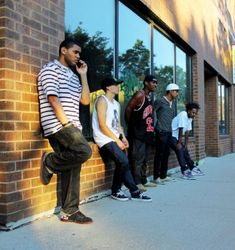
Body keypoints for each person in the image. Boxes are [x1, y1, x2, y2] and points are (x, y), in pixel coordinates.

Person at [37, 38, 93, 224]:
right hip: (58, 125)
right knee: (85, 151)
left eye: (80, 53)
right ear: (63, 50)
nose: (78, 56)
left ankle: (69, 211)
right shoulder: (50, 70)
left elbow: (85, 101)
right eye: (75, 52)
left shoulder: (72, 75)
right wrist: (67, 124)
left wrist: (83, 75)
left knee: (72, 167)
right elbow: (53, 99)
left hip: (72, 125)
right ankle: (49, 161)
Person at [92, 77, 152, 202]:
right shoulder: (101, 101)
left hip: (114, 138)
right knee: (124, 161)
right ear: (108, 87)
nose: (118, 87)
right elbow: (102, 125)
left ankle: (118, 190)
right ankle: (131, 191)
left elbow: (118, 125)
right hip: (103, 138)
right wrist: (117, 140)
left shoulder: (116, 104)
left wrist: (123, 137)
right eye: (116, 84)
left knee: (123, 162)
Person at [125, 75, 157, 192]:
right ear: (146, 83)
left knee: (145, 158)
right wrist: (131, 125)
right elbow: (128, 110)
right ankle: (136, 183)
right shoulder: (140, 95)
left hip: (147, 133)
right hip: (138, 133)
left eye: (156, 83)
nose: (155, 85)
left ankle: (144, 180)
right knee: (137, 158)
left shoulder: (149, 97)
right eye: (153, 82)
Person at [152, 83, 179, 184]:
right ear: (170, 91)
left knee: (166, 154)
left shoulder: (171, 103)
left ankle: (163, 175)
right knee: (159, 154)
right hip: (161, 131)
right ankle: (156, 177)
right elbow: (151, 112)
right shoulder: (160, 101)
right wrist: (155, 127)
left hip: (168, 132)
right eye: (176, 91)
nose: (177, 93)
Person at [171, 102, 204, 179]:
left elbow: (187, 132)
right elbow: (181, 128)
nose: (194, 114)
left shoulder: (190, 118)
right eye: (193, 112)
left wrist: (186, 144)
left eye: (195, 113)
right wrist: (179, 142)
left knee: (185, 150)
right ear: (188, 111)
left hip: (177, 137)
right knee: (179, 150)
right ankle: (184, 170)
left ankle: (193, 168)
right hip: (171, 135)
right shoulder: (183, 114)